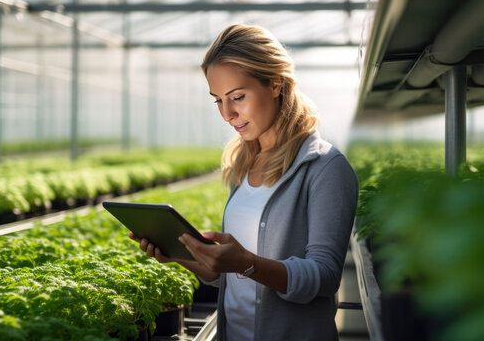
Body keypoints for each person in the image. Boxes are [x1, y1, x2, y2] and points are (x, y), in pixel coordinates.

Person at [130, 24, 358, 341]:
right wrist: (184, 256)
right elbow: (232, 278)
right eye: (218, 100)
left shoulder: (325, 168)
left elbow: (323, 277)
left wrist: (247, 263)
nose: (227, 113)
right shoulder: (245, 162)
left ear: (275, 84)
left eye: (237, 96)